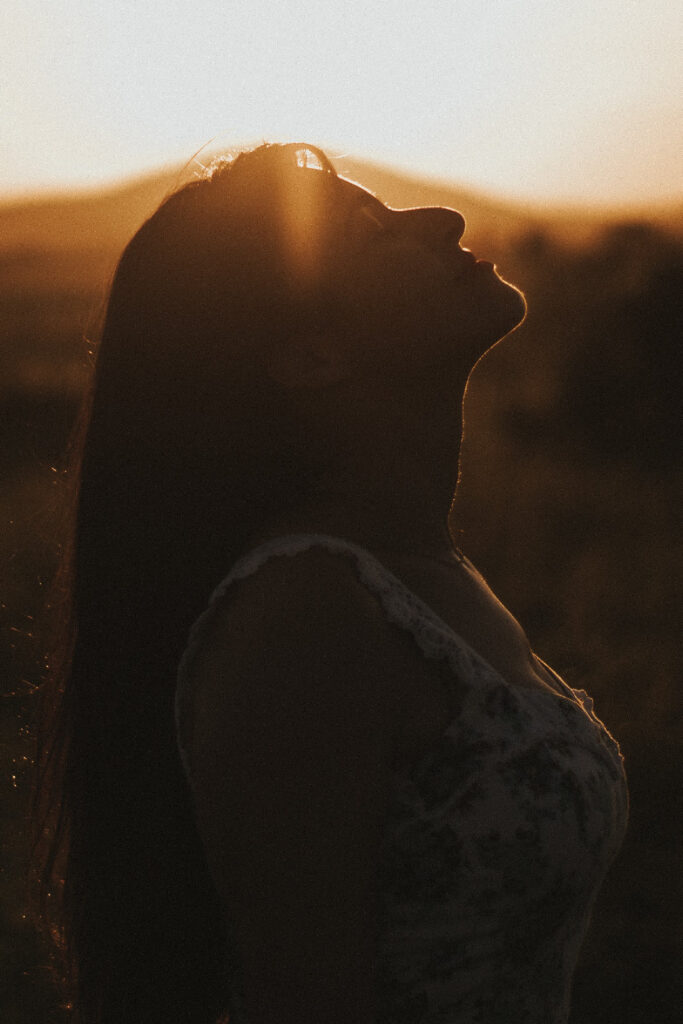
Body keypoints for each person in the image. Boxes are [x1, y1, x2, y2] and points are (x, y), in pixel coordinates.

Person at [34, 142, 628, 1024]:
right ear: (309, 357)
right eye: (374, 231)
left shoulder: (419, 571)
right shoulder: (309, 614)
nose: (444, 219)